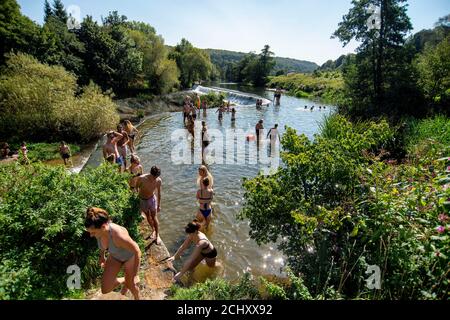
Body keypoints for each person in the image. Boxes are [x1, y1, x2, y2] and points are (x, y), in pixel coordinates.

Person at [85, 207, 141, 300]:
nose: (91, 235)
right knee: (105, 289)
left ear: (103, 227)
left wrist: (135, 275)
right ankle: (125, 280)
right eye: (90, 232)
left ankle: (137, 297)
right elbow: (101, 246)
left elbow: (137, 251)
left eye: (93, 233)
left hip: (130, 257)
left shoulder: (118, 235)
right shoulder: (98, 231)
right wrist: (102, 257)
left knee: (132, 285)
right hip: (115, 256)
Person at [136, 166, 162, 245]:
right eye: (155, 177)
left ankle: (157, 235)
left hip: (152, 199)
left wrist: (159, 205)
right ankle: (153, 230)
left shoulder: (158, 180)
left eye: (157, 177)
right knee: (147, 216)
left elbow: (159, 193)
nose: (156, 178)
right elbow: (136, 187)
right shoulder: (142, 178)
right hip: (142, 200)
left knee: (154, 217)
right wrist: (138, 197)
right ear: (151, 174)